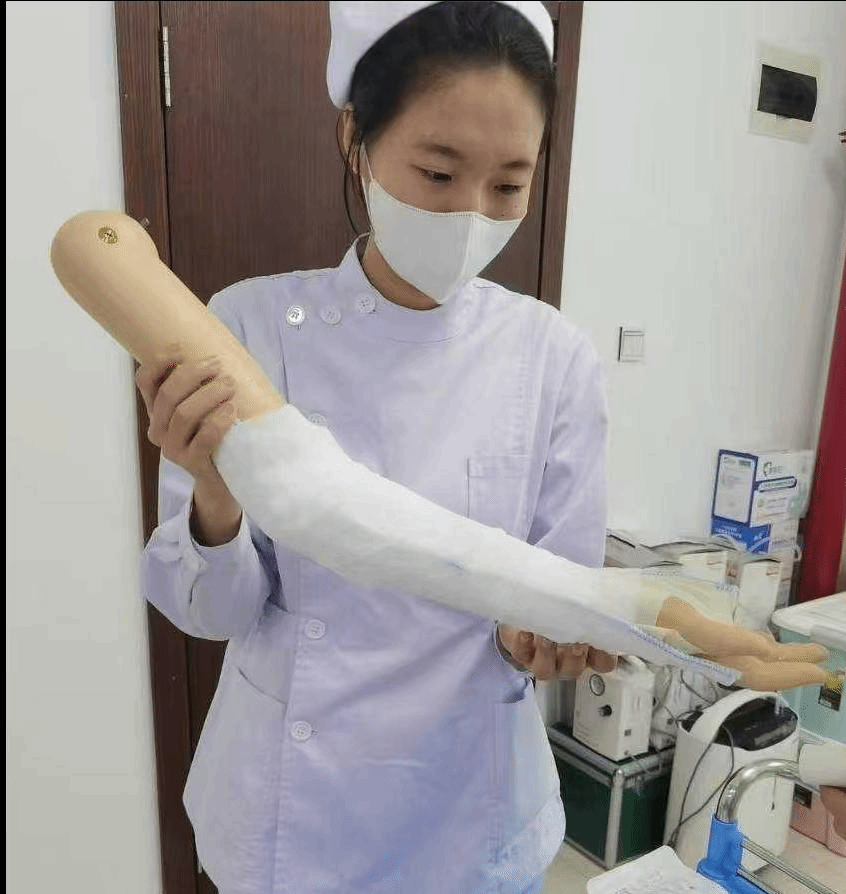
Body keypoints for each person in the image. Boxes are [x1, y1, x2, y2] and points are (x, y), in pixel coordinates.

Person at [136, 3, 614, 892]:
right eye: (438, 171)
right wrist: (216, 494)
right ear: (355, 138)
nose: (471, 214)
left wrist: (547, 638)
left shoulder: (554, 360)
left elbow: (557, 602)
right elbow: (210, 614)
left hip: (473, 812)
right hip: (293, 821)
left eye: (509, 185)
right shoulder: (244, 330)